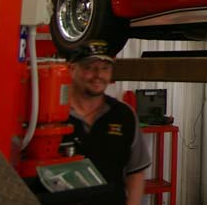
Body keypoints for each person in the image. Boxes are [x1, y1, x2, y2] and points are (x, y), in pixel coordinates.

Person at [64, 40, 151, 205]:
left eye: (105, 68)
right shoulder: (51, 116)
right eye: (89, 67)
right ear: (71, 68)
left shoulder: (124, 115)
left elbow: (136, 172)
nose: (98, 75)